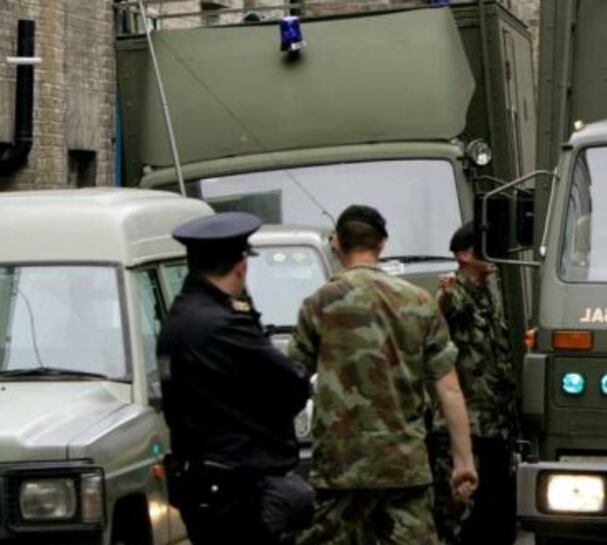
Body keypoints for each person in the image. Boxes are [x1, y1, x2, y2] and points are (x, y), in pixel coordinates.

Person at [290, 205, 478, 545]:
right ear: (383, 243)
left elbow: (290, 382)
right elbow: (449, 389)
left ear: (337, 244)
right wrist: (463, 461)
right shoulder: (419, 302)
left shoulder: (318, 304)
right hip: (403, 467)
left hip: (339, 470)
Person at [158, 212, 314, 545]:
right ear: (241, 264)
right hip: (235, 487)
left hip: (201, 482)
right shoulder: (225, 324)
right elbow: (292, 385)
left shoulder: (181, 316)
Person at [429, 223, 520, 545]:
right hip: (466, 430)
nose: (496, 254)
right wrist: (445, 292)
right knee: (460, 520)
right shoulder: (458, 292)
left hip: (496, 428)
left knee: (496, 518)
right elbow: (443, 307)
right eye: (487, 247)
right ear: (465, 255)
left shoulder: (489, 295)